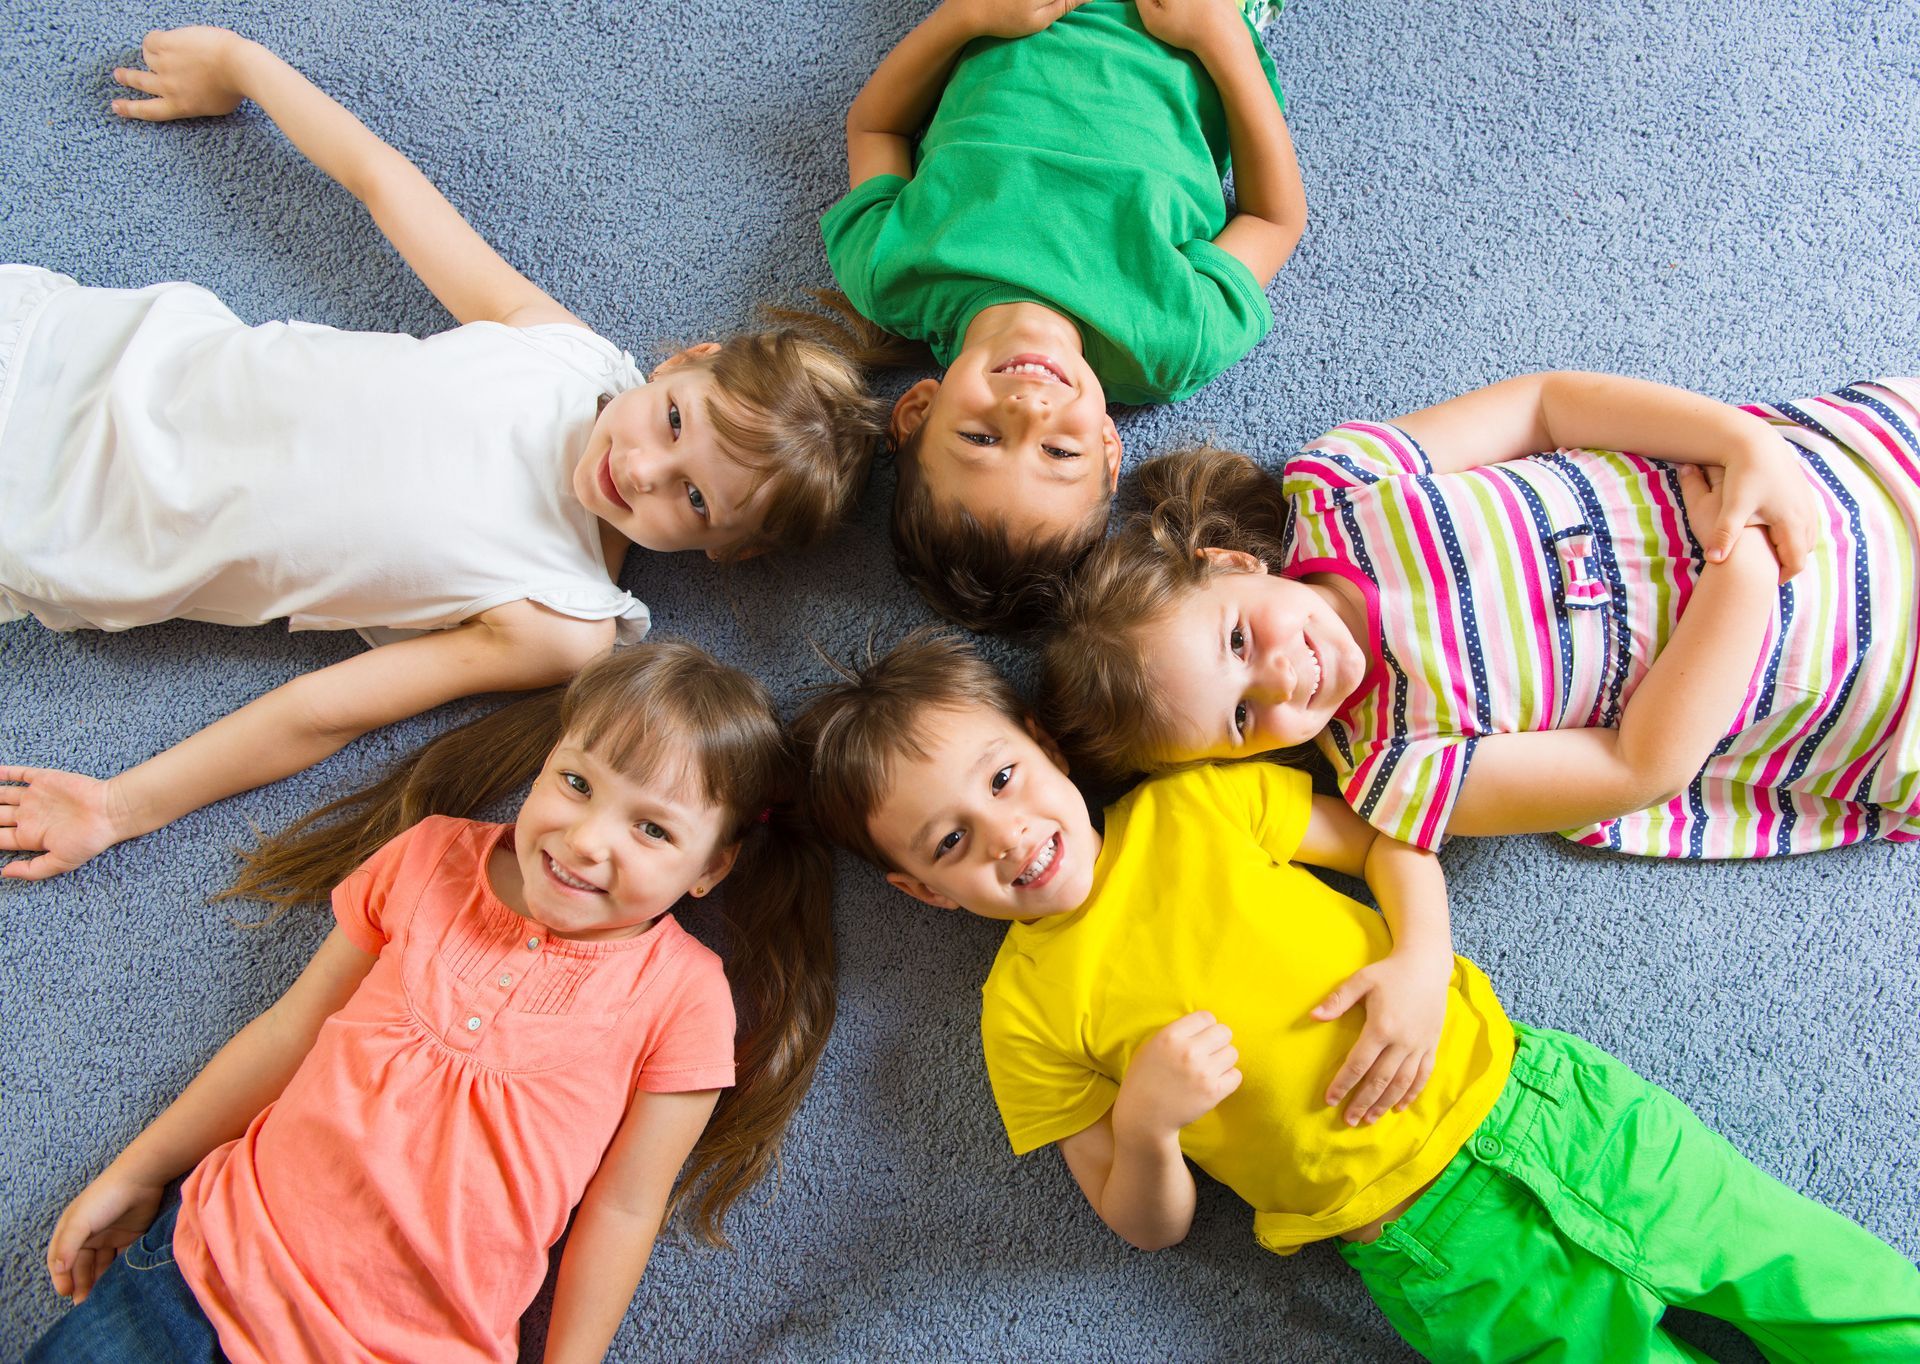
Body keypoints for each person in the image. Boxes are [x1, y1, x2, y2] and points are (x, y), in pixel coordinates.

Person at [792, 629, 1920, 1360]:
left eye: (1002, 778)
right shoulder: (1024, 1015)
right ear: (921, 890)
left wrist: (1422, 959)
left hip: (1547, 1102)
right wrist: (1146, 1121)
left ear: (1041, 744)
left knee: (1825, 1281)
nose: (1010, 833)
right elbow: (1143, 1224)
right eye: (953, 838)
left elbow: (1391, 840)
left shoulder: (1193, 807)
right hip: (1432, 1244)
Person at [0, 25, 890, 880]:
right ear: (684, 360)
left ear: (729, 551)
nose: (645, 472)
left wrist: (121, 808)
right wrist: (246, 67)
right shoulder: (568, 356)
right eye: (673, 423)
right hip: (79, 351)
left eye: (692, 501)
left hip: (69, 521)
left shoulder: (563, 619)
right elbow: (388, 187)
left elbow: (324, 711)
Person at [28, 640, 836, 1364]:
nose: (589, 839)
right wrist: (140, 1169)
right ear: (545, 762)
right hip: (202, 1274)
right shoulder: (428, 856)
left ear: (711, 870)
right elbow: (288, 1032)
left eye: (653, 831)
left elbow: (624, 1210)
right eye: (576, 783)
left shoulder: (685, 995)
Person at [1043, 371, 1920, 857]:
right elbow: (1637, 767)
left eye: (1238, 638)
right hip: (1861, 675)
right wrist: (1744, 575)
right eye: (1241, 720)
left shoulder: (1345, 487)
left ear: (1230, 562)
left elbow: (1548, 405)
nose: (1279, 679)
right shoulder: (1395, 771)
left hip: (1845, 480)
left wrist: (1741, 442)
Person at [823, 0, 1307, 631]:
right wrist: (1224, 40)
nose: (1027, 411)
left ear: (916, 412)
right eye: (1058, 451)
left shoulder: (892, 274)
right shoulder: (1169, 339)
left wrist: (966, 19)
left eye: (980, 438)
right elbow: (1273, 220)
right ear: (1108, 447)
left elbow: (874, 130)